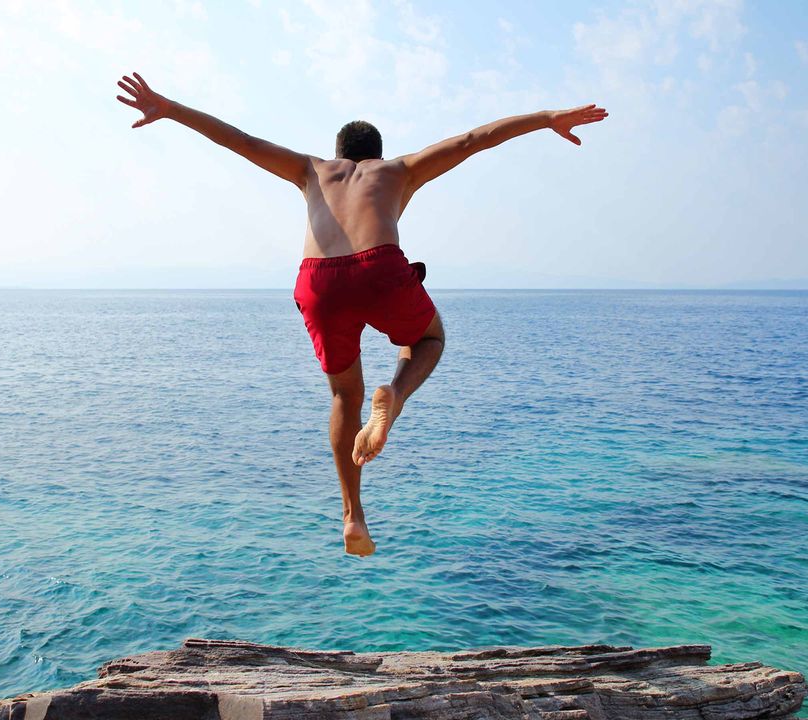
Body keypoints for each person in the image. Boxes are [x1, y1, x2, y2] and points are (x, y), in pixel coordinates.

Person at [116, 71, 607, 557]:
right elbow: (474, 139)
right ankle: (394, 393)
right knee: (428, 340)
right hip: (379, 268)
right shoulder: (398, 169)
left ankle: (352, 515)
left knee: (342, 394)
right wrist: (545, 118)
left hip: (318, 281)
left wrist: (169, 108)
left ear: (338, 155)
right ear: (376, 153)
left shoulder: (311, 170)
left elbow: (240, 140)